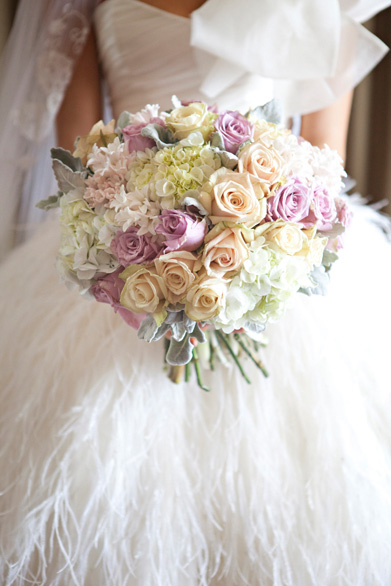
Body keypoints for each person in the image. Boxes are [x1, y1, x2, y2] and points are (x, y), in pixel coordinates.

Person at [1, 1, 391, 584]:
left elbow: (324, 162)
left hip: (279, 242)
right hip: (127, 239)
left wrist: (256, 253)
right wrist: (139, 249)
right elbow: (84, 161)